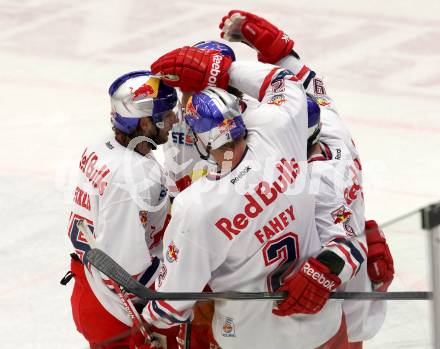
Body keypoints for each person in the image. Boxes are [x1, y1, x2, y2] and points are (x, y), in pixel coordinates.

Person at [140, 43, 367, 348]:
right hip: (320, 329)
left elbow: (169, 309)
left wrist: (149, 310)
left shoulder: (196, 206)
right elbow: (284, 81)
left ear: (198, 138)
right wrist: (222, 69)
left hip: (246, 337)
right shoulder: (278, 130)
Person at [219, 10, 394, 348]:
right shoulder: (328, 124)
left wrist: (320, 274)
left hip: (334, 304)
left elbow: (347, 247)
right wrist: (276, 49)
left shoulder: (314, 180)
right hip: (347, 301)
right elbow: (309, 84)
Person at [64, 70, 179, 349]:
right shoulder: (133, 177)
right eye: (166, 114)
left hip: (89, 288)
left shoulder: (104, 144)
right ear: (143, 123)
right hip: (114, 310)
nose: (174, 119)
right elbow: (129, 270)